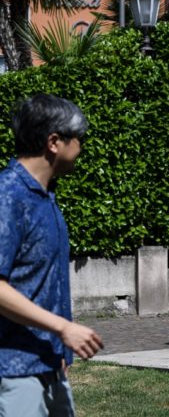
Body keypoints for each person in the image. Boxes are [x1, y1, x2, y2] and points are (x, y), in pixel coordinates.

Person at [0, 94, 104, 417]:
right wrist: (63, 328)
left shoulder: (45, 197)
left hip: (49, 363)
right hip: (13, 369)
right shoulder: (8, 197)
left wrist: (58, 348)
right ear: (54, 142)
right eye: (78, 139)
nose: (81, 149)